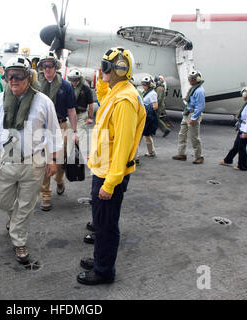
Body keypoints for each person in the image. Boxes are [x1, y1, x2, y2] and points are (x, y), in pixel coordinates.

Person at [0, 56, 62, 263]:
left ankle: (19, 241)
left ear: (28, 76)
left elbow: (53, 132)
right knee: (3, 200)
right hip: (6, 159)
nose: (13, 80)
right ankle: (14, 218)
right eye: (9, 76)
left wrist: (53, 160)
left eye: (18, 75)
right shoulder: (0, 100)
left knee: (26, 205)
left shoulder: (43, 101)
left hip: (33, 161)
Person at [77, 47, 146, 285]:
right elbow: (103, 99)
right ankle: (100, 259)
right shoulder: (117, 92)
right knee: (101, 222)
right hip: (103, 170)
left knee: (106, 225)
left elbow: (123, 147)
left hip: (110, 175)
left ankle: (104, 271)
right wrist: (102, 79)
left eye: (106, 67)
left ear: (119, 70)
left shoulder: (126, 100)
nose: (102, 70)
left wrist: (111, 182)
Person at [37, 52, 78, 211]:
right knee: (42, 162)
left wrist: (74, 131)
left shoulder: (66, 86)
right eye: (44, 66)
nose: (47, 69)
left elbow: (71, 110)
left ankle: (60, 180)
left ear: (55, 67)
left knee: (59, 161)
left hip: (60, 126)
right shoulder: (36, 85)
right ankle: (45, 195)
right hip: (40, 128)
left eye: (50, 65)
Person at [220, 87, 247, 171]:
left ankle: (242, 166)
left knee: (241, 146)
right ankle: (228, 160)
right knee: (237, 145)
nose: (242, 95)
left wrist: (245, 132)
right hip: (244, 127)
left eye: (243, 93)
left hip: (246, 128)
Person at [172, 70, 205, 164]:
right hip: (187, 114)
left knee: (194, 137)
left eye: (192, 79)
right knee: (182, 134)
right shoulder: (193, 88)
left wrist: (194, 118)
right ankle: (181, 153)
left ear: (197, 80)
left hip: (193, 114)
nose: (189, 81)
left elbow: (200, 106)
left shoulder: (199, 91)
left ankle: (199, 156)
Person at [67, 68, 94, 156]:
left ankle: (82, 155)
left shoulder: (85, 89)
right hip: (70, 115)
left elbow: (91, 104)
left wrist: (90, 117)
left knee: (80, 134)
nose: (74, 82)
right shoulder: (68, 88)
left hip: (81, 115)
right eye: (72, 80)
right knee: (69, 134)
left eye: (76, 80)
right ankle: (68, 155)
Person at [141, 76, 158, 157]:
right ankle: (151, 151)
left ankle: (151, 151)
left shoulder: (152, 94)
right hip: (144, 115)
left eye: (145, 85)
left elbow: (155, 106)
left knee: (146, 134)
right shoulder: (145, 92)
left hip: (148, 116)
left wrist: (145, 107)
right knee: (145, 135)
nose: (143, 86)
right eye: (143, 84)